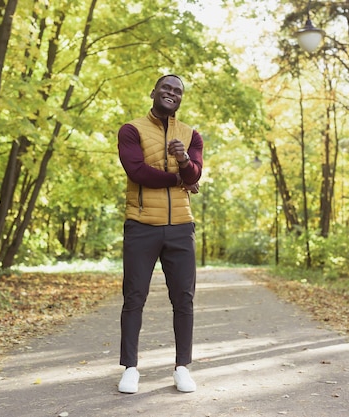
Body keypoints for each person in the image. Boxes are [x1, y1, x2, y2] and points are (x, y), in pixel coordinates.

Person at [117, 74, 203, 394]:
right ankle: (130, 368)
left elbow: (196, 172)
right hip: (141, 225)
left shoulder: (191, 136)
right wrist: (180, 179)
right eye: (166, 88)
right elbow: (136, 171)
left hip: (181, 227)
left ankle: (182, 367)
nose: (172, 93)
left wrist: (182, 160)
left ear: (181, 99)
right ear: (153, 92)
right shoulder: (131, 130)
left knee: (183, 299)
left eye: (177, 91)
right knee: (134, 297)